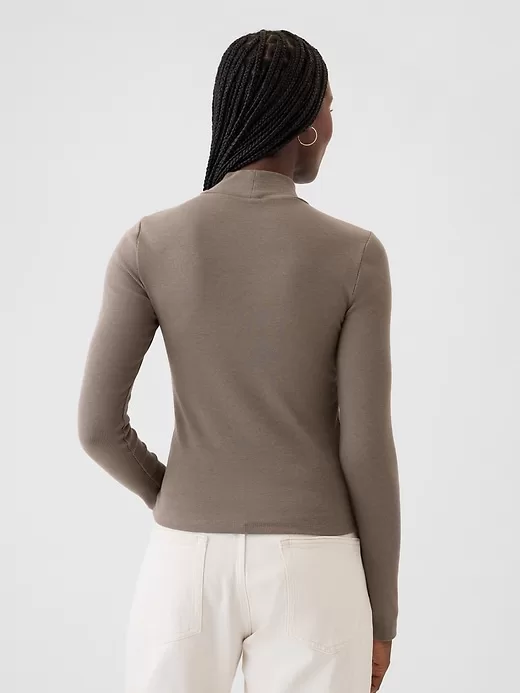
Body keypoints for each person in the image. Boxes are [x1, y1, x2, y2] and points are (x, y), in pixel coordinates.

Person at [77, 28, 401, 693]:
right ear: (305, 124)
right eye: (329, 107)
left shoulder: (148, 243)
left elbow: (97, 427)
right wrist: (384, 614)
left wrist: (173, 495)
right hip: (316, 572)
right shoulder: (356, 255)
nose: (332, 126)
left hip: (184, 566)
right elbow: (366, 447)